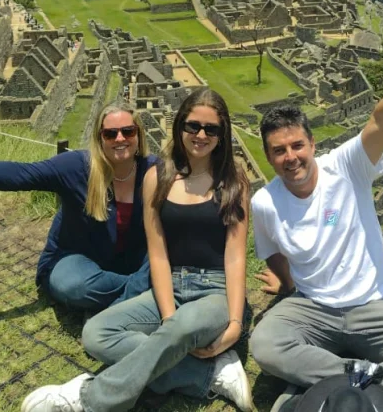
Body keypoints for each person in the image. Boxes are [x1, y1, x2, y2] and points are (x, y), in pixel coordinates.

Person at [249, 23, 383, 412]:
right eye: (279, 151)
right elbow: (272, 251)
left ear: (313, 144)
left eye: (298, 145)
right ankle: (375, 391)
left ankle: (322, 394)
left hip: (374, 305)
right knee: (264, 345)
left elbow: (382, 121)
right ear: (268, 156)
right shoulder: (265, 202)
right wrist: (283, 281)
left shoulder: (347, 167)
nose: (291, 157)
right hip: (313, 307)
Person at [21, 87, 254, 412]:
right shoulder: (157, 177)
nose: (200, 135)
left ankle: (88, 399)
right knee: (97, 333)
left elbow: (235, 255)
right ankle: (210, 374)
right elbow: (157, 253)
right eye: (192, 126)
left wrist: (234, 323)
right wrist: (168, 315)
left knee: (182, 329)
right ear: (180, 126)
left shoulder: (233, 181)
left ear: (221, 134)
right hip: (170, 287)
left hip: (214, 290)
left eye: (211, 129)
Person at [0, 102, 157, 312]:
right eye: (110, 134)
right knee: (73, 286)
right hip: (77, 259)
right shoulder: (76, 167)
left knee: (169, 258)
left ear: (139, 135)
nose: (120, 139)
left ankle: (126, 298)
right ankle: (141, 293)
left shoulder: (156, 171)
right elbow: (20, 174)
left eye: (128, 131)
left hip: (131, 261)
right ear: (99, 137)